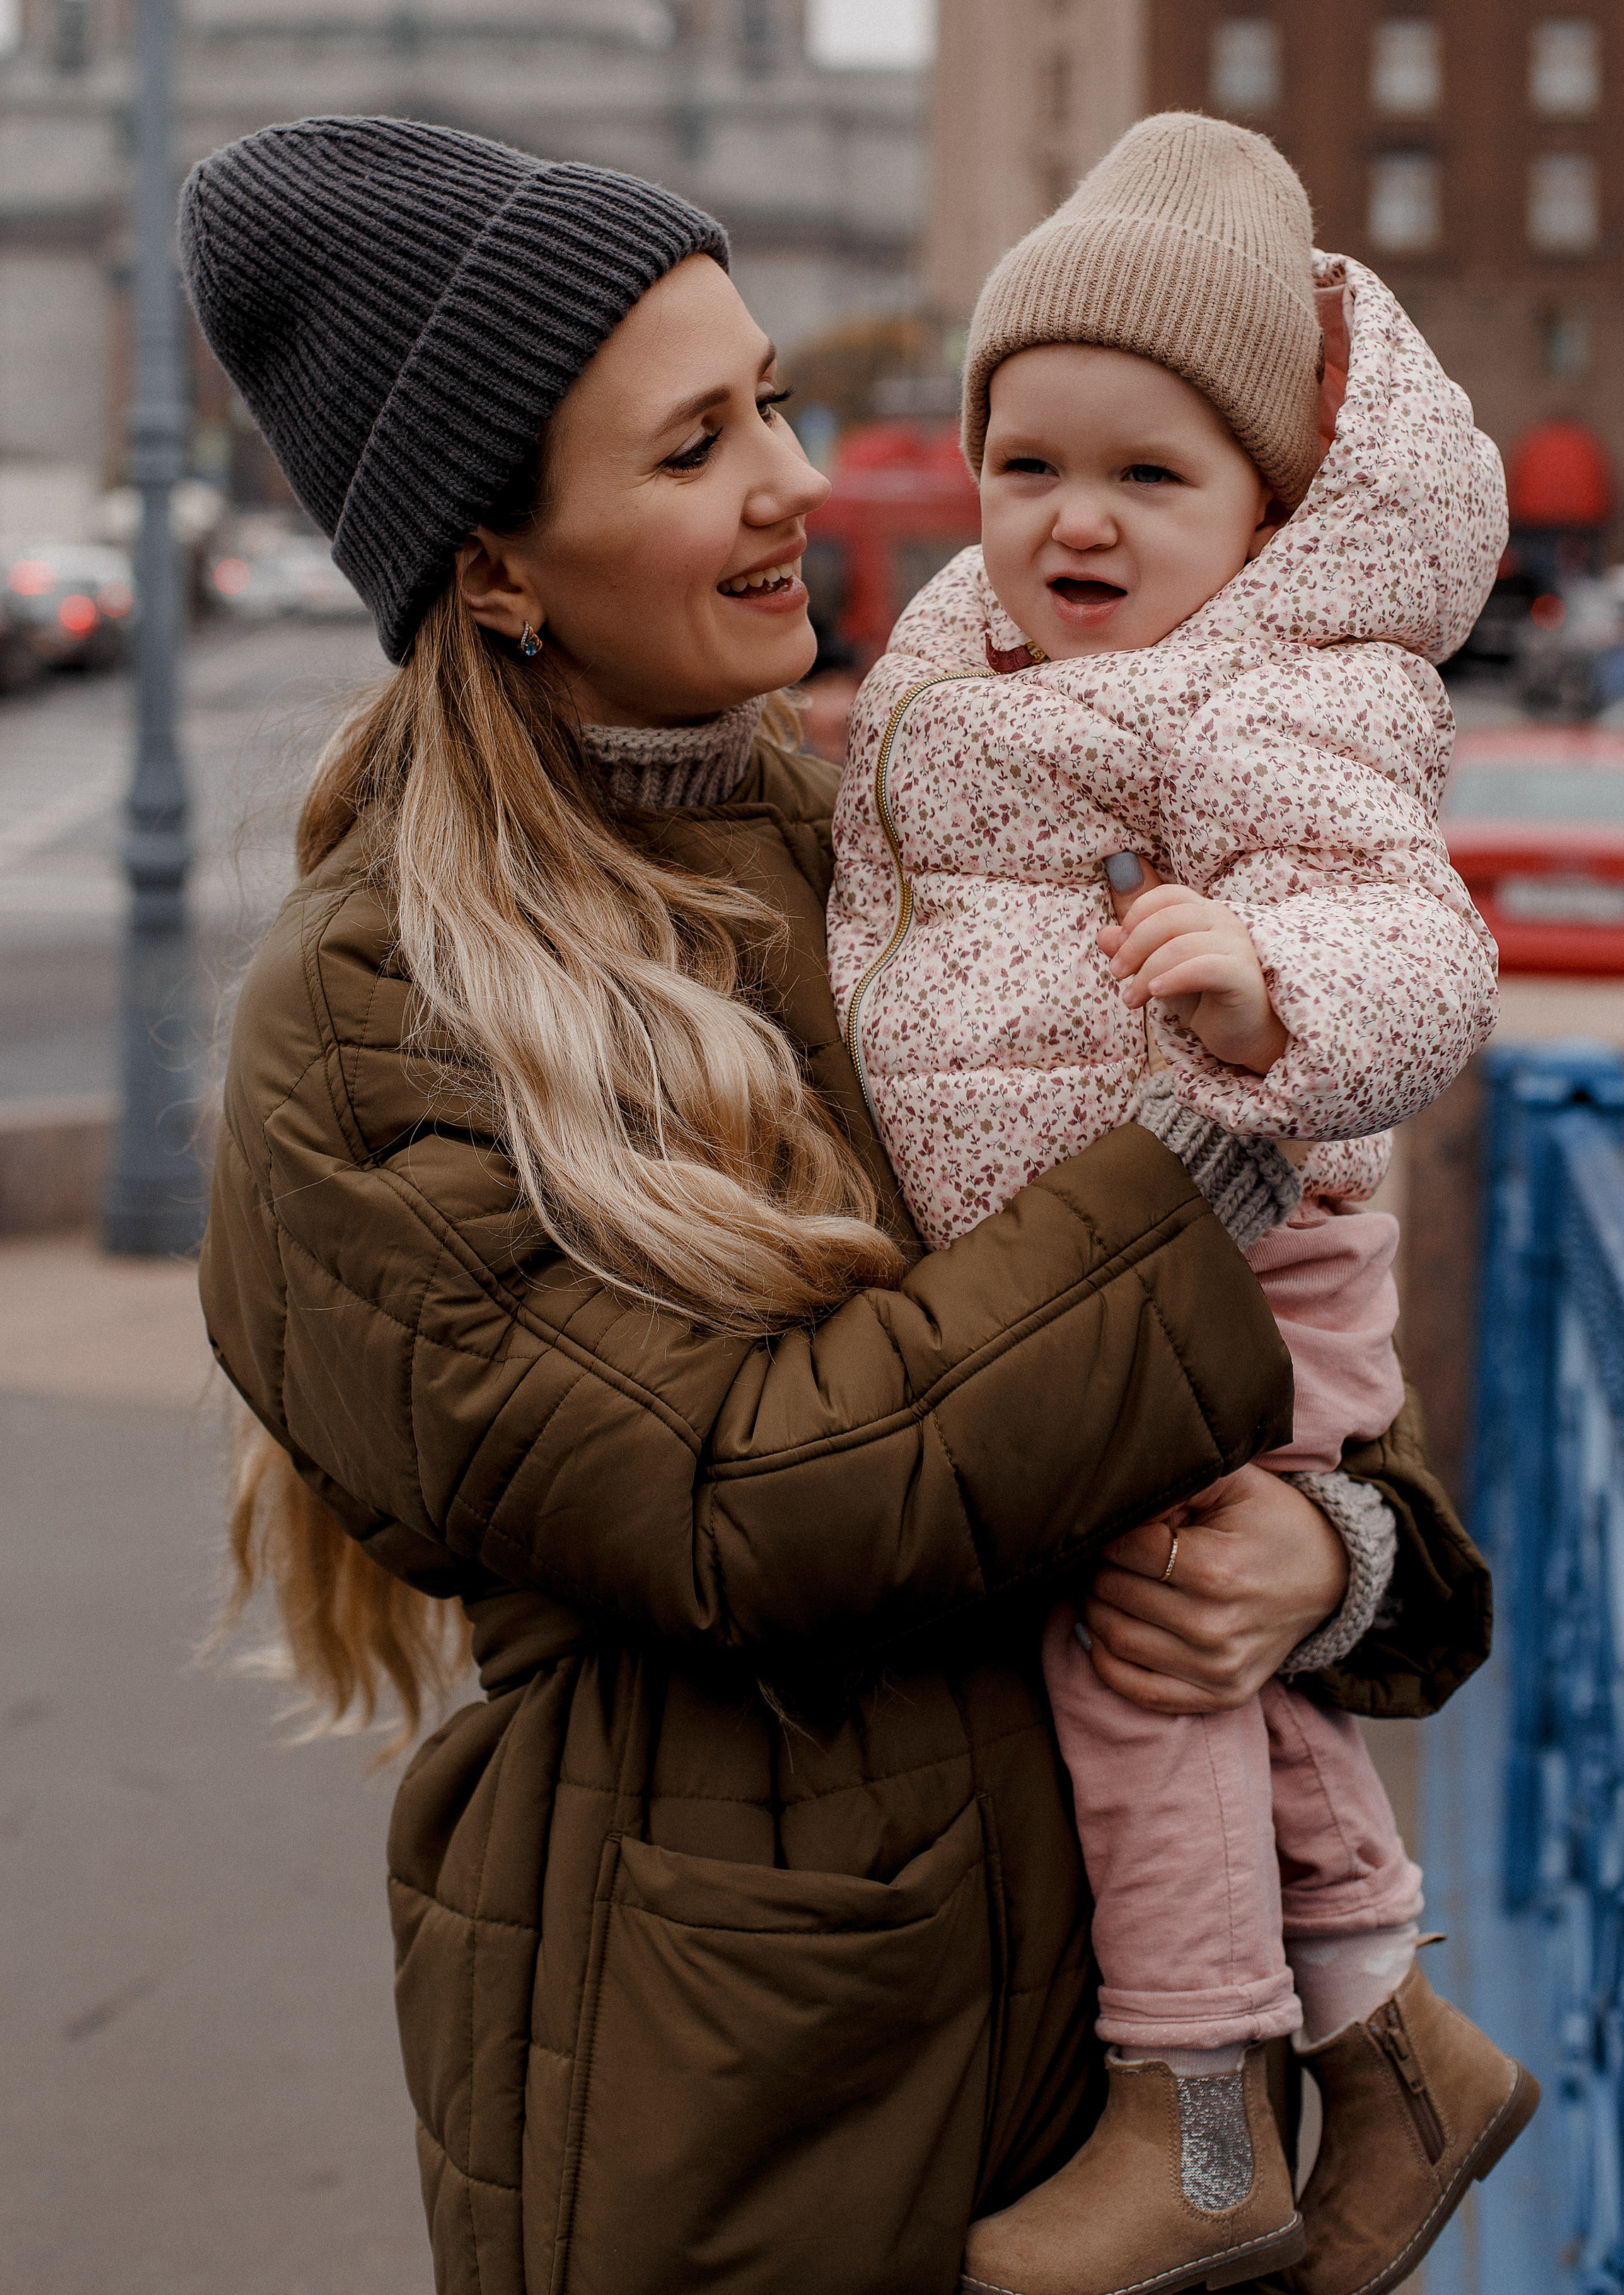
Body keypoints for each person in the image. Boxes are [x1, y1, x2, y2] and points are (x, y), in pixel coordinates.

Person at [187, 115, 1489, 2295]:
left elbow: (1310, 1416)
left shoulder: (884, 840)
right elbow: (744, 1504)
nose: (800, 478)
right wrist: (1210, 1142)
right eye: (697, 445)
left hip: (1117, 2048)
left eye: (773, 397)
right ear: (493, 565)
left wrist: (1328, 1557)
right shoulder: (373, 1012)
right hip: (753, 2081)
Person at [828, 114, 1537, 2295]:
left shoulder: (1279, 691)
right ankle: (1395, 2049)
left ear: (1267, 506)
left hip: (1240, 1238)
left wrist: (1258, 1002)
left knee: (1139, 1650)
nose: (1077, 521)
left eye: (1151, 476)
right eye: (1028, 465)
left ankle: (1203, 2110)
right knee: (1208, 1656)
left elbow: (1422, 951)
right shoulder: (981, 672)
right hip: (1128, 1252)